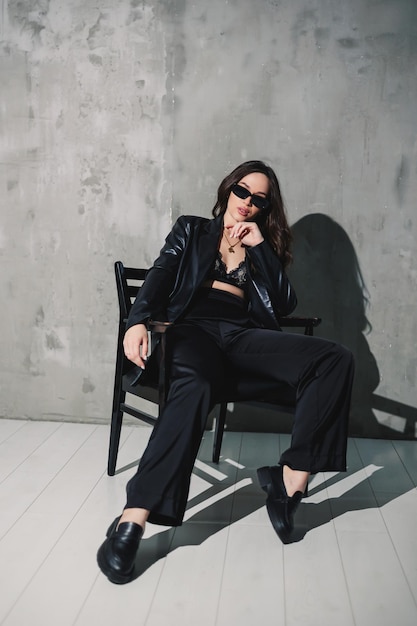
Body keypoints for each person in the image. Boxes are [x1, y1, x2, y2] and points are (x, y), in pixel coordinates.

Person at [97, 160, 354, 584]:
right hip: (192, 331)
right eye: (242, 192)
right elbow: (161, 276)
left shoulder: (261, 244)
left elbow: (284, 304)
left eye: (259, 200)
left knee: (335, 359)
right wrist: (136, 321)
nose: (248, 203)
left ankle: (291, 480)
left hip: (242, 336)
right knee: (194, 386)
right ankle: (133, 520)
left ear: (265, 208)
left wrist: (262, 250)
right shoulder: (193, 229)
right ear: (227, 190)